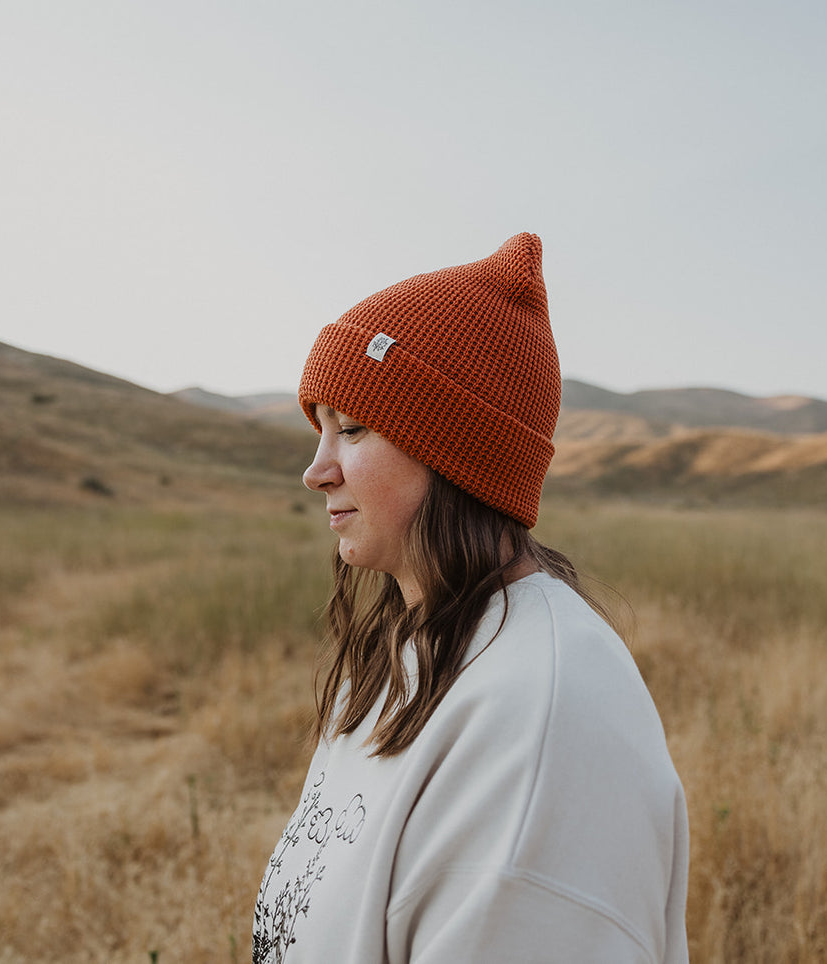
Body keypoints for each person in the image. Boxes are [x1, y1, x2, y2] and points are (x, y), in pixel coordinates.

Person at [253, 233, 689, 963]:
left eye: (352, 428)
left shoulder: (543, 717)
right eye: (319, 427)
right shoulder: (406, 649)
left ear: (456, 453)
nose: (316, 470)